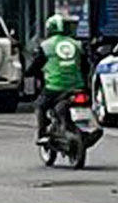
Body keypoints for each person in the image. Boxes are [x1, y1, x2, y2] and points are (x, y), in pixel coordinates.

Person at [28, 12, 88, 146]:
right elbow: (85, 67)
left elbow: (36, 65)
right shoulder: (77, 44)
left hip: (55, 87)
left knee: (40, 106)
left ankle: (42, 134)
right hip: (78, 86)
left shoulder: (46, 46)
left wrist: (27, 73)